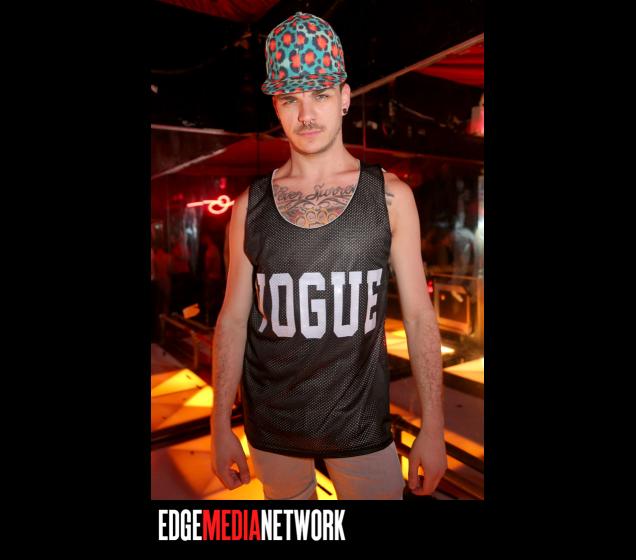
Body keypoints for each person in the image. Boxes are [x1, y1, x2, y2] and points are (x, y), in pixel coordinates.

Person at [210, 12, 447, 500]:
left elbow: (421, 317)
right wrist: (218, 424)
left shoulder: (391, 198)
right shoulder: (248, 207)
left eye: (319, 94)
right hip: (272, 426)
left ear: (344, 97)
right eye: (290, 99)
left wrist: (435, 425)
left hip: (361, 426)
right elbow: (232, 320)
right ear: (276, 108)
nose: (306, 115)